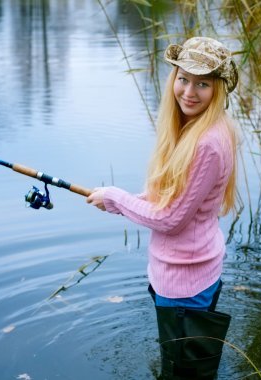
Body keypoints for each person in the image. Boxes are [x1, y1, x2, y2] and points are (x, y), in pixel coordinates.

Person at [87, 36, 238, 379]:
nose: (189, 91)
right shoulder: (194, 129)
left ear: (218, 89)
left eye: (203, 84)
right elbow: (172, 200)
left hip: (185, 284)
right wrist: (120, 202)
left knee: (182, 373)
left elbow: (169, 219)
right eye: (184, 79)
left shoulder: (208, 143)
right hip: (192, 272)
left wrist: (116, 196)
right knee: (189, 365)